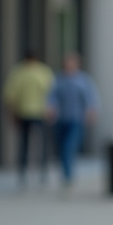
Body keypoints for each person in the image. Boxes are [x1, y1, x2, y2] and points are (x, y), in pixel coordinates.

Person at [45, 52, 100, 189]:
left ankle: (68, 175)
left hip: (77, 120)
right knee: (61, 147)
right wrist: (50, 109)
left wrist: (91, 112)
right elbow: (51, 96)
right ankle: (65, 172)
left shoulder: (83, 80)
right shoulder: (59, 79)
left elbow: (91, 98)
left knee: (69, 146)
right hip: (61, 119)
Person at [2, 49, 55, 186]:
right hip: (40, 112)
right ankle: (42, 172)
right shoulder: (43, 71)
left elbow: (10, 96)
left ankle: (23, 173)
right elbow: (51, 93)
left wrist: (12, 114)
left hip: (24, 112)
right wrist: (51, 111)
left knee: (24, 144)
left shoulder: (19, 72)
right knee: (41, 144)